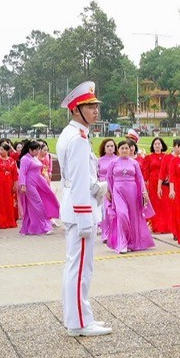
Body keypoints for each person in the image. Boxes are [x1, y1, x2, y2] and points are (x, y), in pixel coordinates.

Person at [56, 81, 111, 337]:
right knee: (80, 269)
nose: (95, 111)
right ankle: (79, 323)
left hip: (78, 208)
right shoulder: (77, 139)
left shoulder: (73, 135)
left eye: (95, 106)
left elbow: (78, 176)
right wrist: (85, 218)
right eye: (89, 106)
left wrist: (96, 185)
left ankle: (80, 316)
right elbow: (77, 181)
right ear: (76, 110)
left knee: (76, 267)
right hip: (81, 212)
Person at [103, 138, 154, 254]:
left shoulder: (134, 163)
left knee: (133, 217)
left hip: (132, 192)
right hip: (118, 192)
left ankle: (132, 242)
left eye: (127, 148)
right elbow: (109, 179)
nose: (125, 150)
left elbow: (139, 178)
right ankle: (122, 243)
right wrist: (109, 192)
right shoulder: (113, 163)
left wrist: (143, 192)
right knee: (122, 214)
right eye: (122, 148)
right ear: (118, 150)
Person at [18, 140, 59, 235]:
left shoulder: (34, 158)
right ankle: (45, 226)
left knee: (43, 200)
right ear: (30, 150)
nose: (38, 152)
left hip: (39, 181)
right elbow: (22, 173)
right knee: (38, 204)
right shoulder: (25, 159)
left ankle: (32, 226)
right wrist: (23, 185)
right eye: (36, 150)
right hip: (29, 183)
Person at [143, 137, 172, 234]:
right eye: (155, 144)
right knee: (155, 205)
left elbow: (171, 169)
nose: (157, 146)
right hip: (153, 183)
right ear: (152, 146)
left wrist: (169, 177)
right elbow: (146, 172)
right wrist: (145, 182)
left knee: (165, 204)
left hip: (164, 183)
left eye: (159, 144)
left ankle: (167, 226)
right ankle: (156, 226)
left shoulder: (167, 157)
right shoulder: (149, 157)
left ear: (162, 145)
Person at [0, 139, 19, 229]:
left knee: (8, 201)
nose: (0, 151)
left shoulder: (12, 160)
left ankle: (9, 220)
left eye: (2, 150)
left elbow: (15, 174)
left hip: (8, 183)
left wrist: (15, 184)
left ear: (7, 151)